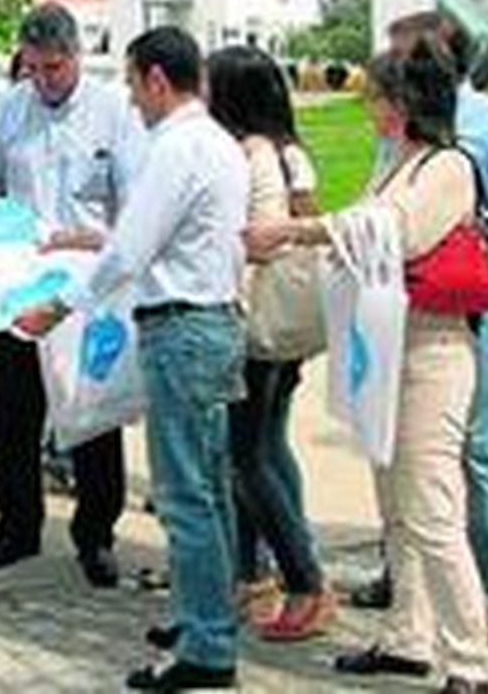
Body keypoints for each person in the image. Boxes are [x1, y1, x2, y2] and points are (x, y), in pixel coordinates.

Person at [246, 41, 488, 694]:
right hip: (390, 348)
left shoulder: (446, 167)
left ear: (405, 102)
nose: (368, 105)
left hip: (433, 353)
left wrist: (299, 233)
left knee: (433, 507)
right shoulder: (399, 162)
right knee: (396, 506)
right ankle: (408, 637)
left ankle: (468, 660)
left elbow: (393, 231)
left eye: (378, 95)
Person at [17, 25, 248, 691]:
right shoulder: (218, 142)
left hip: (183, 329)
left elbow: (127, 252)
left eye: (132, 83)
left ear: (155, 79)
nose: (130, 99)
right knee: (206, 487)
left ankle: (207, 646)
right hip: (211, 321)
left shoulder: (175, 149)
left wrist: (59, 307)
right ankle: (201, 614)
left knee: (185, 496)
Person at [349, 11, 488, 647]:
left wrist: (462, 226)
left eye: (406, 60)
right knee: (398, 465)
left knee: (473, 451)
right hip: (390, 319)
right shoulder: (397, 140)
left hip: (455, 308)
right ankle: (411, 609)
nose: (393, 75)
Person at [0, 2, 145, 588]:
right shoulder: (10, 105)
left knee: (92, 412)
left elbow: (137, 202)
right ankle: (16, 528)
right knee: (15, 413)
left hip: (87, 284)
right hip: (18, 281)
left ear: (77, 55)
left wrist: (91, 242)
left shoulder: (114, 109)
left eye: (54, 68)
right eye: (34, 68)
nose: (43, 80)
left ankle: (95, 535)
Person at [203, 44, 335, 641]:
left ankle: (304, 579)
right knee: (268, 446)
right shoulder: (291, 151)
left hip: (257, 325)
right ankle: (253, 575)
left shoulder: (251, 155)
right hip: (292, 325)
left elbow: (259, 240)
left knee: (244, 458)